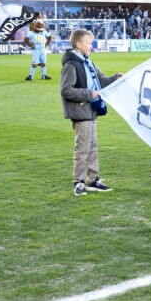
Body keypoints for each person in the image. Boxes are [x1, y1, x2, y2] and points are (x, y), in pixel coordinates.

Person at [60, 29, 120, 197]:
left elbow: (101, 81)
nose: (91, 46)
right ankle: (79, 182)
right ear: (78, 44)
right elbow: (66, 90)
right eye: (89, 43)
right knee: (82, 149)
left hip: (91, 111)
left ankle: (93, 180)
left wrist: (115, 78)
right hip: (81, 112)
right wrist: (89, 94)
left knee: (92, 148)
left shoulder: (88, 62)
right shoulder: (71, 65)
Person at [24, 16, 51, 81]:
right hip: (36, 50)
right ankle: (31, 76)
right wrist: (30, 45)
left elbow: (50, 37)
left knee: (43, 63)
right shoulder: (31, 33)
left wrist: (47, 44)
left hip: (43, 50)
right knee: (34, 64)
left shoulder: (44, 32)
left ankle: (43, 75)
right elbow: (25, 39)